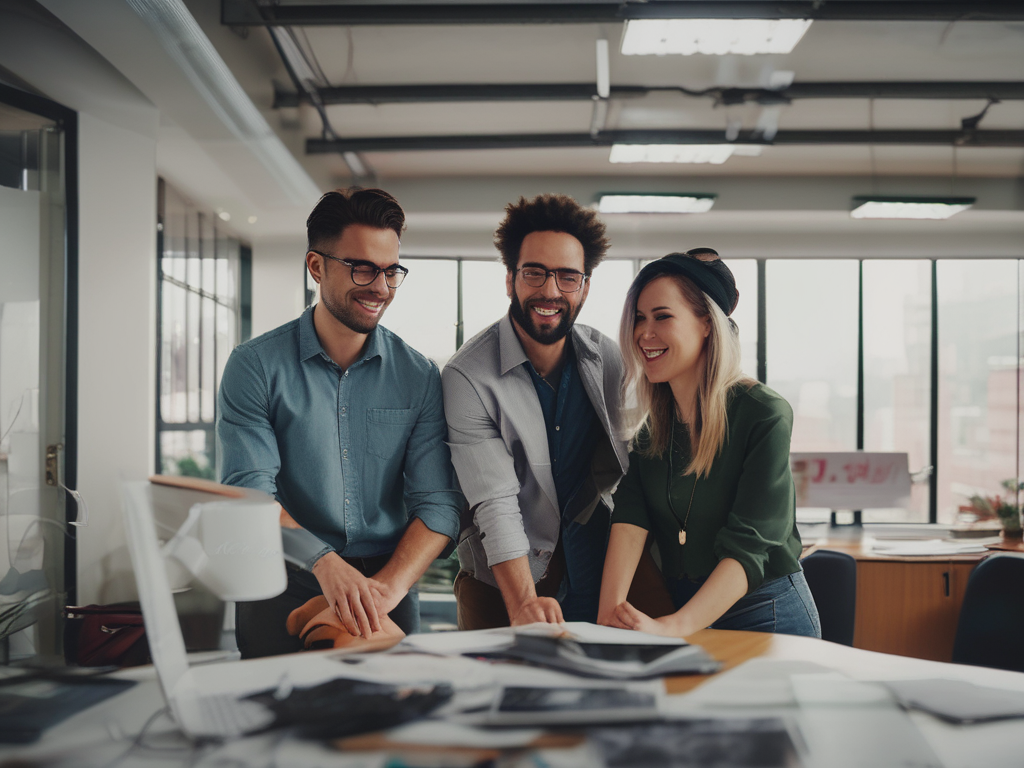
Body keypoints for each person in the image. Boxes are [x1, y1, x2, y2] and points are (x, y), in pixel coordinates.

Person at [217, 187, 462, 657]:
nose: (381, 287)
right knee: (275, 722)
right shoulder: (255, 366)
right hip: (282, 580)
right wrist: (325, 564)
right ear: (316, 266)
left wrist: (383, 592)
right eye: (363, 268)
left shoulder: (419, 376)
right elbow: (250, 494)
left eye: (392, 271)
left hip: (386, 586)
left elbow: (438, 504)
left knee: (390, 725)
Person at [598, 249, 821, 638]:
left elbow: (750, 545)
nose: (643, 333)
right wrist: (609, 612)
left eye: (662, 316)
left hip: (763, 612)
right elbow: (631, 516)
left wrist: (676, 626)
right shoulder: (655, 429)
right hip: (681, 611)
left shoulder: (763, 413)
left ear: (706, 324)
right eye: (639, 318)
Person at [441, 193, 630, 630]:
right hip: (502, 583)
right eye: (534, 273)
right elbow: (495, 501)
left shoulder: (608, 358)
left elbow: (633, 467)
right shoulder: (468, 376)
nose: (550, 291)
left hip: (595, 576)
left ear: (584, 287)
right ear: (510, 280)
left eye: (567, 277)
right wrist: (524, 601)